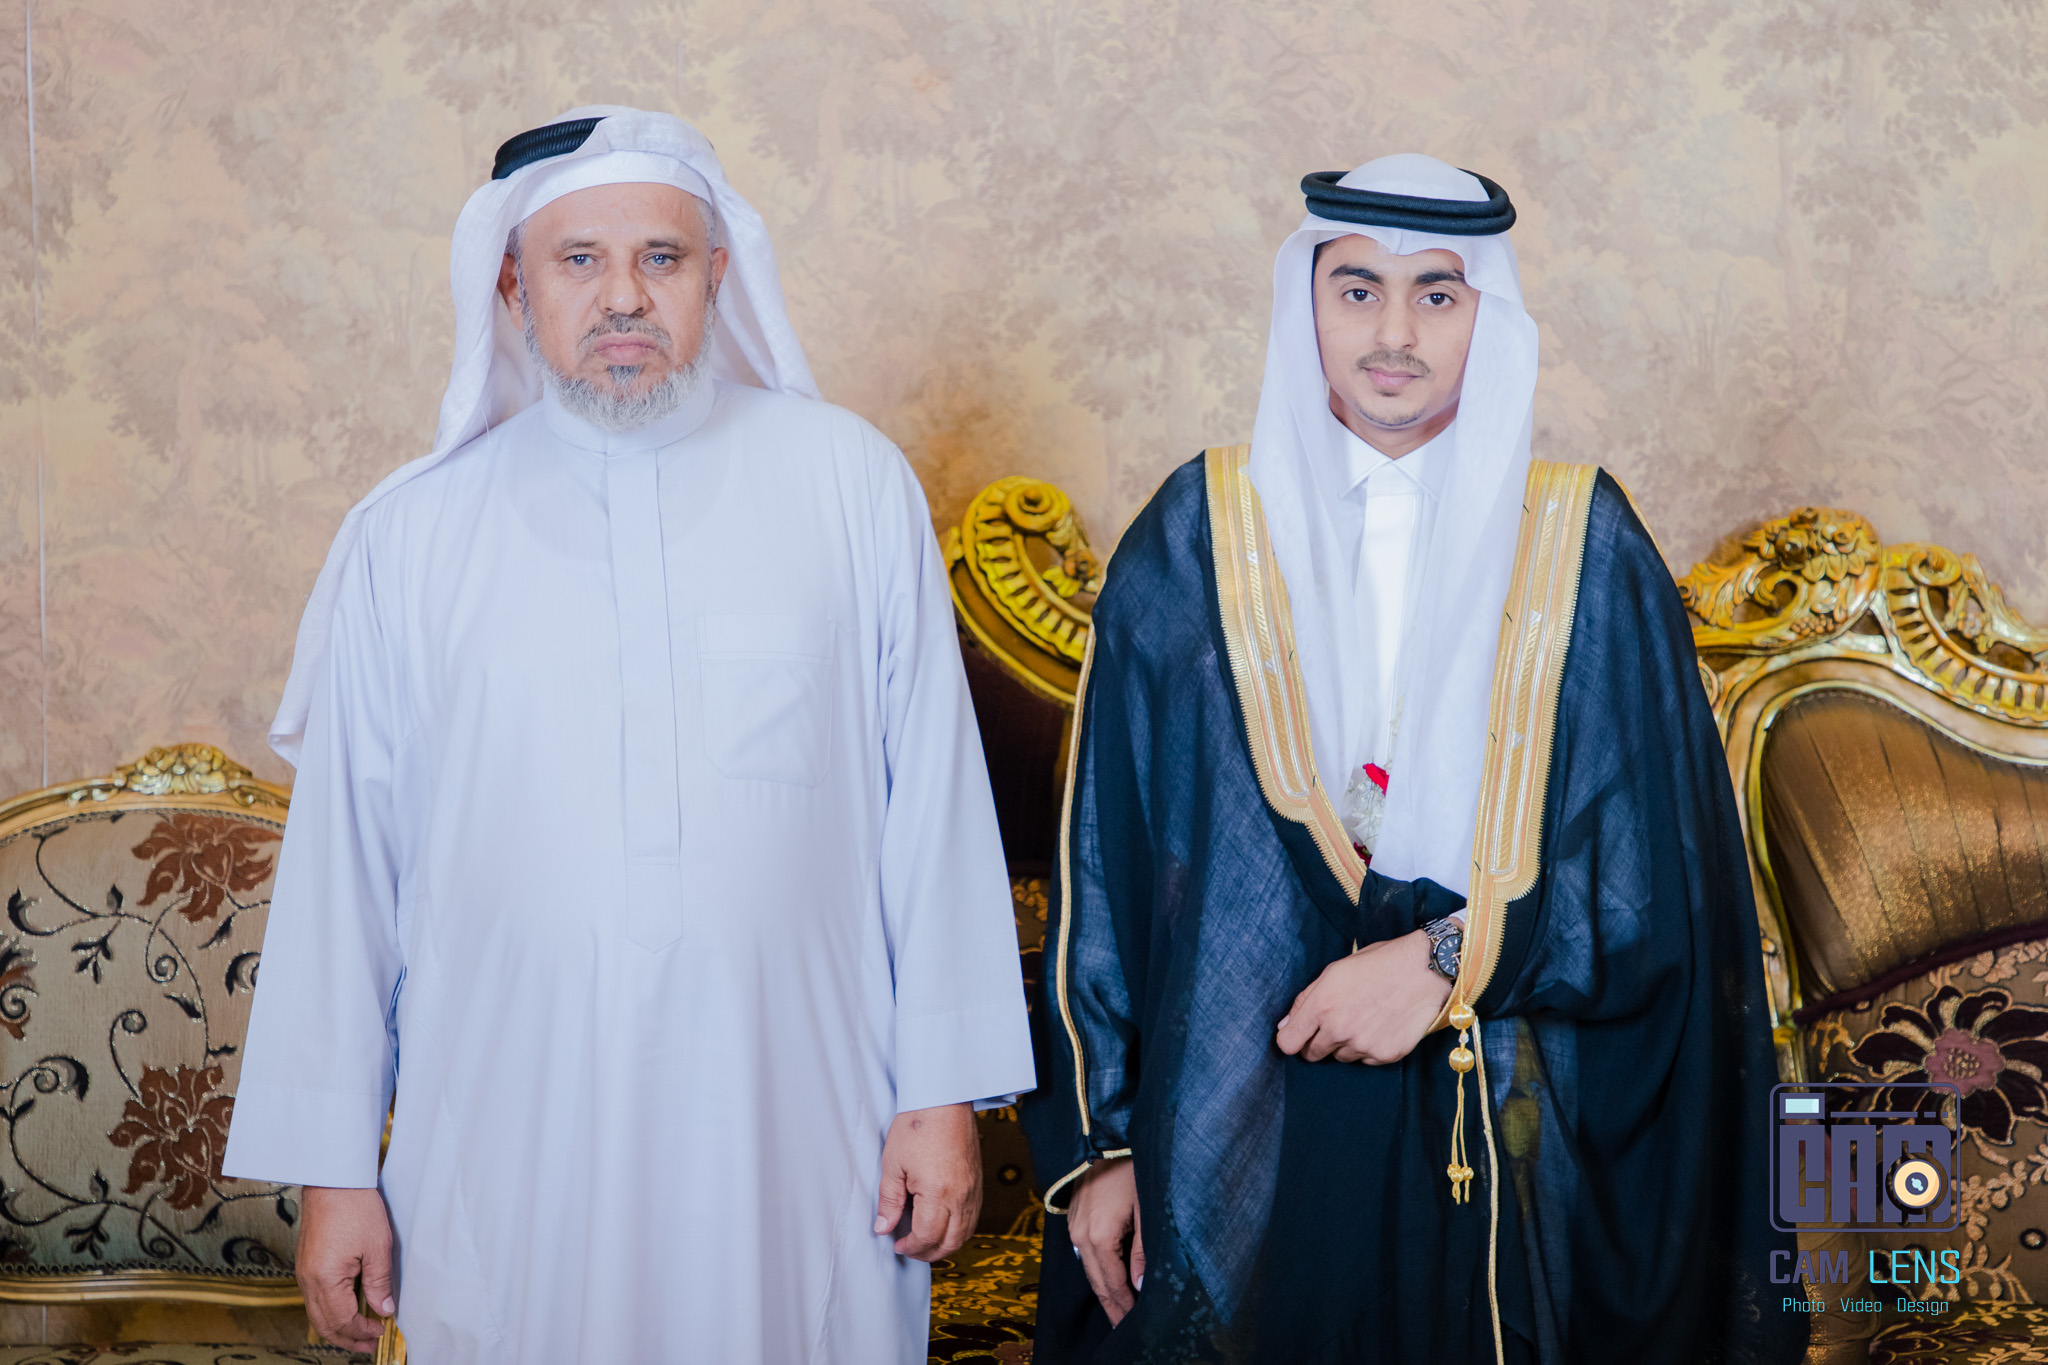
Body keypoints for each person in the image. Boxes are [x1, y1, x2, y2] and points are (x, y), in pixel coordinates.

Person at [221, 106, 1034, 1364]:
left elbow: (932, 812)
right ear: (512, 284)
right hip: (507, 1128)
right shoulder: (410, 541)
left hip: (798, 1119)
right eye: (578, 260)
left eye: (660, 257)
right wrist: (336, 1173)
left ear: (717, 274)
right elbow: (348, 876)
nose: (622, 297)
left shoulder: (850, 485)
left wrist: (939, 1096)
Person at [1027, 155, 1804, 1363]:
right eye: (1357, 291)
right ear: (1306, 303)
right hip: (1239, 1114)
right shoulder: (1194, 538)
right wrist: (1105, 1143)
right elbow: (1107, 864)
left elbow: (1654, 891)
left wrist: (1444, 960)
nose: (1393, 334)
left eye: (1435, 294)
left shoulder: (1582, 547)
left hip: (1504, 1119)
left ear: (1485, 313)